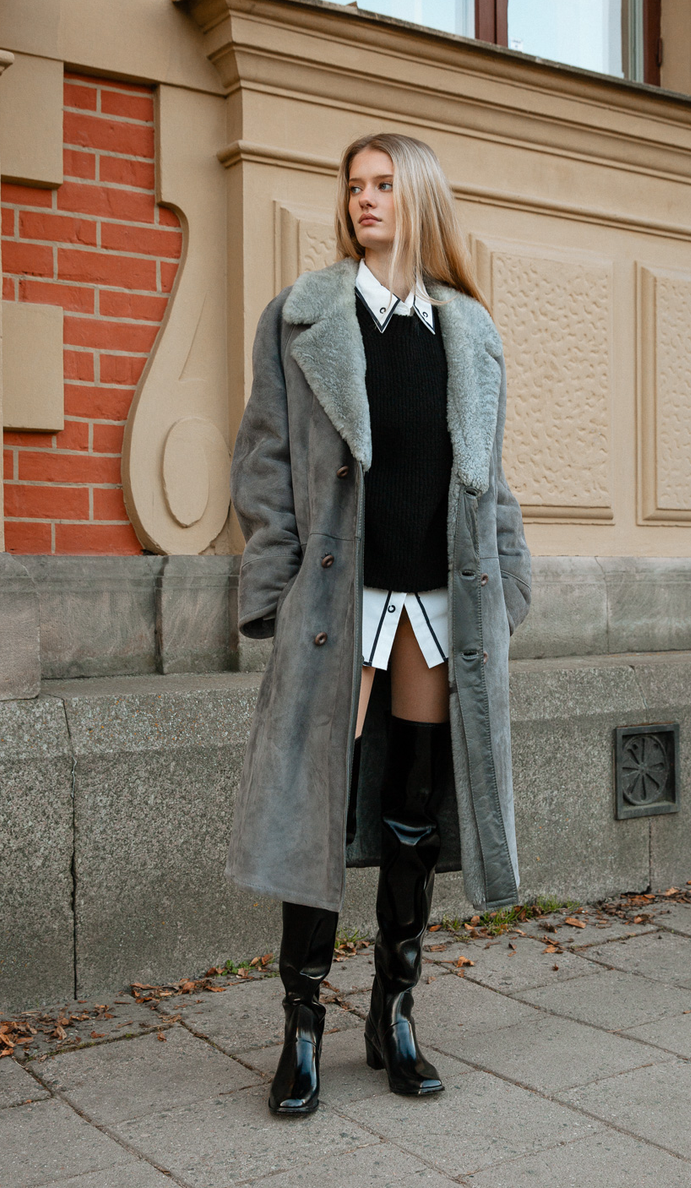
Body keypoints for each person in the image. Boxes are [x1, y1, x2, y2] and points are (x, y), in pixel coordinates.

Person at [225, 132, 532, 1118]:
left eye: (381, 183)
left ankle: (392, 1011)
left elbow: (491, 480)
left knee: (411, 805)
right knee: (317, 801)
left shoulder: (469, 333)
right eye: (351, 183)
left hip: (436, 607)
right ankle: (300, 1025)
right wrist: (272, 591)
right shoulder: (304, 317)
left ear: (420, 198)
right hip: (340, 602)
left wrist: (506, 587)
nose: (363, 197)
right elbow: (264, 469)